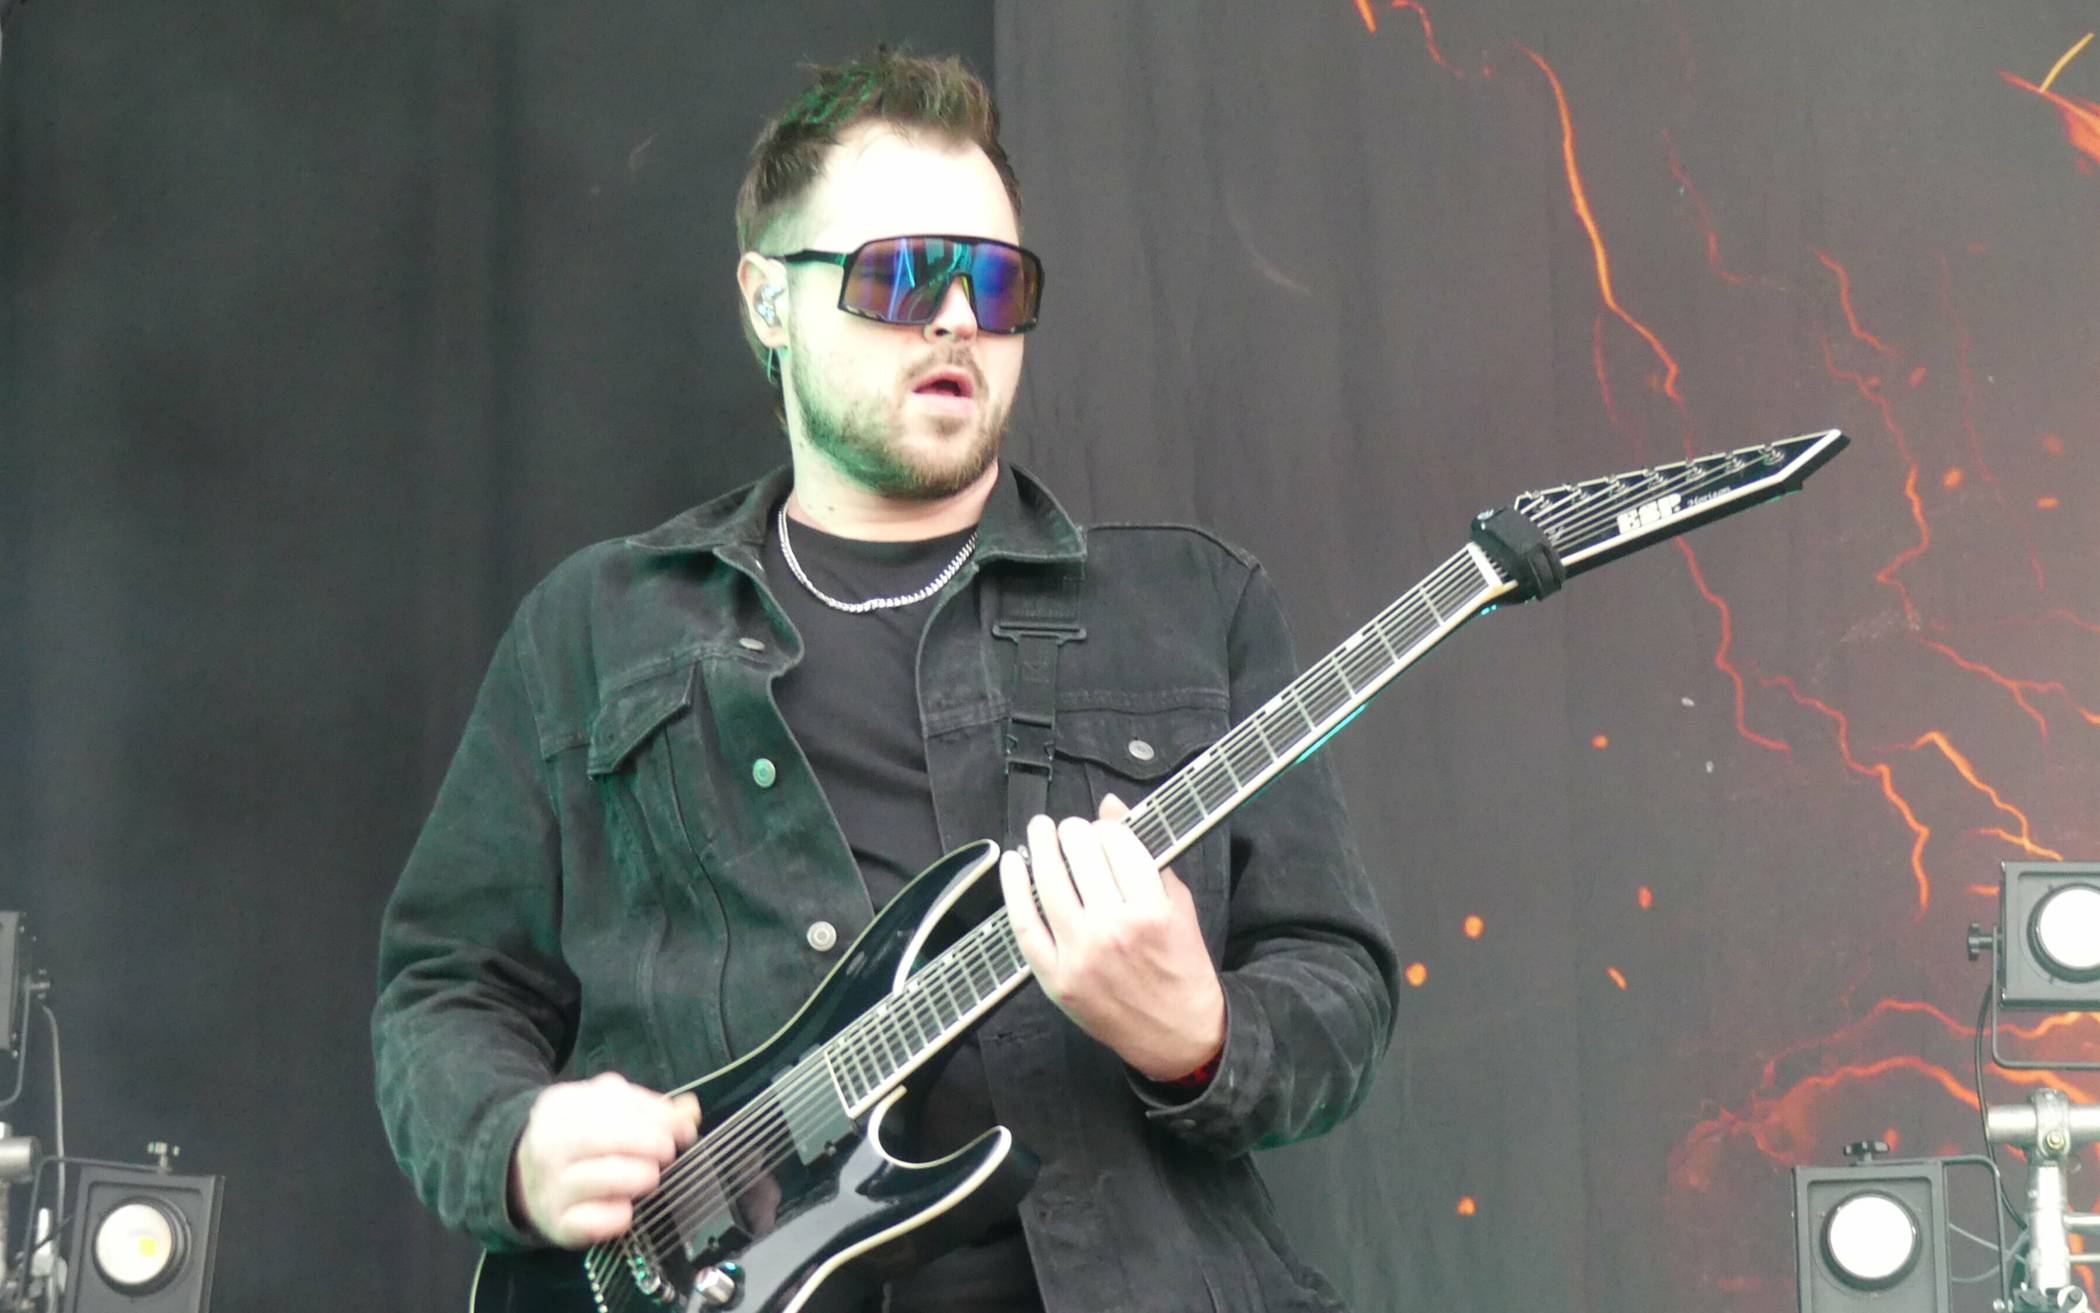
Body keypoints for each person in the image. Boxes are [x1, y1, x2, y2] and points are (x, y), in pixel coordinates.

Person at [372, 48, 1398, 1313]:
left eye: (995, 282)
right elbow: (449, 985)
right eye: (904, 273)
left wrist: (1201, 1034)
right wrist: (514, 1147)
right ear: (768, 299)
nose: (957, 317)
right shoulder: (596, 627)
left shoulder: (1190, 607)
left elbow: (1335, 983)